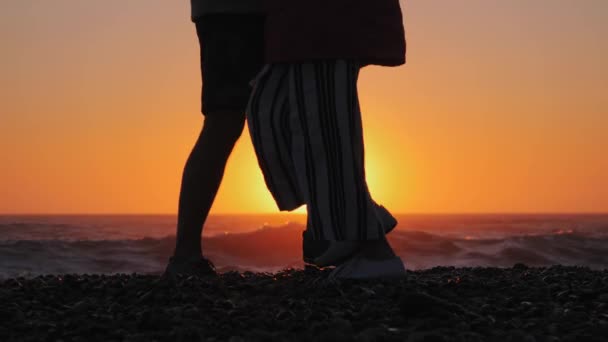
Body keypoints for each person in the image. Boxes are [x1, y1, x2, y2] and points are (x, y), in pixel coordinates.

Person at [248, 0, 407, 278]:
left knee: (325, 132)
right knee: (268, 112)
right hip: (290, 21)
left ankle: (375, 253)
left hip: (324, 19)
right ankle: (356, 216)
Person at [164, 0, 265, 277]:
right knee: (226, 121)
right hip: (239, 14)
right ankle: (185, 254)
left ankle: (185, 253)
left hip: (230, 13)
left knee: (226, 122)